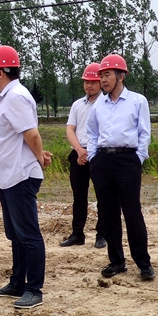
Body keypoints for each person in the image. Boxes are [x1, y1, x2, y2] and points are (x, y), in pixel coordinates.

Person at [0, 45, 52, 309]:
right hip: (10, 175)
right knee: (16, 234)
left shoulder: (16, 96)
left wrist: (38, 159)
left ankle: (34, 289)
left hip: (20, 176)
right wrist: (38, 154)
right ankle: (17, 283)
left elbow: (31, 134)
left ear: (0, 72)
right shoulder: (9, 96)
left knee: (28, 234)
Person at [87, 54, 154, 280]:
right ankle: (116, 261)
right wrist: (94, 159)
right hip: (103, 161)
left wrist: (138, 159)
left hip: (128, 161)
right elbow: (92, 133)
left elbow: (144, 133)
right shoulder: (98, 105)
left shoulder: (137, 101)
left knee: (132, 212)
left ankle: (143, 263)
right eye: (101, 76)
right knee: (108, 213)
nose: (103, 80)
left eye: (107, 75)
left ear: (121, 76)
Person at [60, 63, 106, 249]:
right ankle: (77, 234)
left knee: (103, 196)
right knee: (79, 196)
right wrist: (79, 150)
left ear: (100, 83)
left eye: (93, 82)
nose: (89, 86)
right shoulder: (77, 105)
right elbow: (70, 129)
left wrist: (90, 152)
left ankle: (102, 234)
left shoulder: (106, 104)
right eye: (86, 82)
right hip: (79, 154)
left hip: (99, 154)